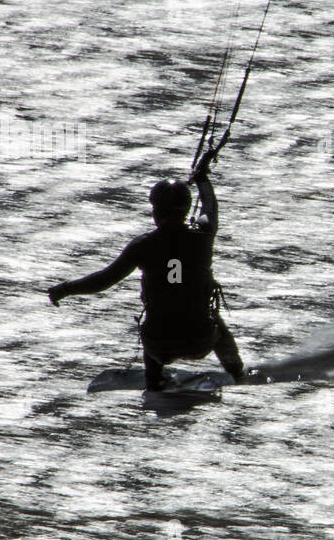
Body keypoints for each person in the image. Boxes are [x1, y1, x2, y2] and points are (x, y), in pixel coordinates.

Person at [47, 150, 245, 390]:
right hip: (200, 340)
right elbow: (210, 207)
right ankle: (236, 371)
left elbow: (103, 280)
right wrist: (202, 178)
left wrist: (64, 289)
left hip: (160, 345)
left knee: (153, 325)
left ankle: (155, 381)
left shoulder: (142, 245)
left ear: (156, 211)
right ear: (185, 210)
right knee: (217, 326)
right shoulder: (203, 235)